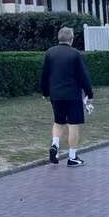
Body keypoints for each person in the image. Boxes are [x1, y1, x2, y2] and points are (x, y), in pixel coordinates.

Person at [39, 26, 94, 167]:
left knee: (58, 122)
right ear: (72, 38)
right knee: (73, 125)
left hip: (55, 95)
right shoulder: (75, 54)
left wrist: (45, 92)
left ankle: (55, 145)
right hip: (72, 95)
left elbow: (44, 75)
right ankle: (72, 157)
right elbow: (83, 76)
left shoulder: (50, 53)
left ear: (58, 38)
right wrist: (89, 93)